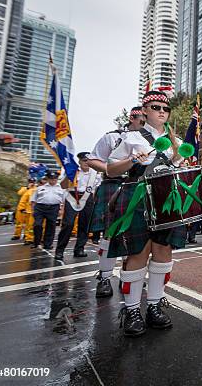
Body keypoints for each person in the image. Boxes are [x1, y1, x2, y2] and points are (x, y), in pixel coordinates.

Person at [107, 90, 186, 337]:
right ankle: (131, 309)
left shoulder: (178, 143)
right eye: (155, 107)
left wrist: (182, 161)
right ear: (144, 111)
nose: (161, 112)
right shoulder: (130, 137)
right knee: (138, 252)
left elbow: (179, 171)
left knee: (163, 251)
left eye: (165, 109)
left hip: (165, 199)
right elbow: (110, 169)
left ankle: (153, 306)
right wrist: (131, 160)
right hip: (137, 197)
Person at [87, 106, 145, 298]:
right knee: (110, 234)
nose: (145, 122)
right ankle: (104, 278)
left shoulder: (149, 140)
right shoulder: (113, 137)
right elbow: (93, 160)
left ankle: (127, 277)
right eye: (141, 118)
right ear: (132, 117)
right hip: (114, 185)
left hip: (137, 187)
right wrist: (114, 168)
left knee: (134, 235)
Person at [54, 152, 101, 260]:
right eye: (84, 160)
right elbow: (63, 186)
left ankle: (79, 249)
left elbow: (95, 190)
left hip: (87, 198)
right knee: (68, 224)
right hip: (72, 197)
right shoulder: (72, 171)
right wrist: (70, 175)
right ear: (79, 161)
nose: (86, 163)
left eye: (88, 161)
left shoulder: (95, 174)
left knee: (84, 225)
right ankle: (60, 250)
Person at [30, 171, 66, 251]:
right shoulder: (40, 188)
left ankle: (47, 244)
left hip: (54, 208)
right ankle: (37, 243)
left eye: (54, 179)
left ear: (57, 179)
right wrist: (33, 210)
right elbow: (33, 200)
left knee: (51, 227)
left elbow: (63, 202)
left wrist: (61, 210)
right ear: (48, 179)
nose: (53, 181)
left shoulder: (61, 189)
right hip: (40, 208)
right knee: (37, 225)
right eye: (51, 179)